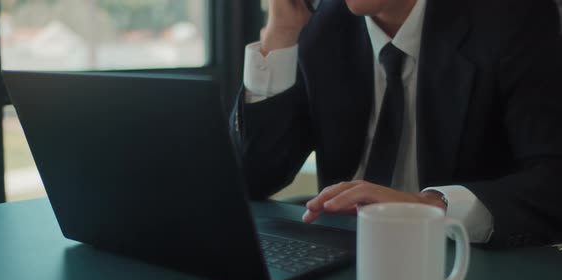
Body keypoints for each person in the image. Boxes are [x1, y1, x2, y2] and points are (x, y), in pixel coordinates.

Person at [230, 0, 562, 248]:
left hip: (460, 264)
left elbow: (552, 180)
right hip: (347, 257)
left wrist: (431, 207)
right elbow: (254, 177)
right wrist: (281, 30)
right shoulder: (325, 26)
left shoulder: (513, 16)